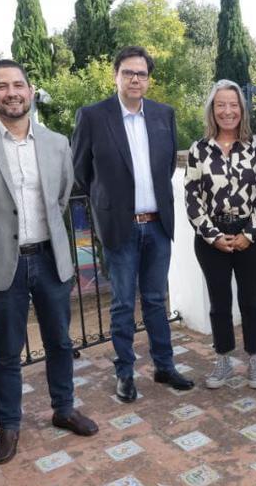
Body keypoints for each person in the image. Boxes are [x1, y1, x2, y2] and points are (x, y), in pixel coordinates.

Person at [0, 60, 98, 466]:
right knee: (6, 351)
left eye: (18, 85)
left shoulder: (56, 143)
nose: (11, 92)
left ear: (31, 91)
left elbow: (63, 195)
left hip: (50, 259)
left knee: (61, 342)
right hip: (5, 265)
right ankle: (9, 425)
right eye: (2, 86)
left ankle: (64, 408)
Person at [71, 46, 194, 402]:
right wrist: (107, 203)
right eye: (128, 73)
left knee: (156, 299)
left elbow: (167, 166)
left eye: (141, 73)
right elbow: (81, 172)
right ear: (116, 76)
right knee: (123, 303)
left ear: (148, 78)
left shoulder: (163, 115)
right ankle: (125, 372)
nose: (135, 79)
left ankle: (164, 367)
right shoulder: (93, 116)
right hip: (119, 228)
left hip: (157, 226)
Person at [183, 79, 256, 389]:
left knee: (250, 300)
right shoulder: (199, 149)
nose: (227, 111)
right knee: (219, 301)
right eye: (221, 104)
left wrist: (250, 233)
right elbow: (192, 196)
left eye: (233, 104)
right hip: (212, 239)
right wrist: (212, 234)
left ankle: (254, 360)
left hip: (251, 235)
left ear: (241, 109)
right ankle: (222, 359)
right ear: (212, 109)